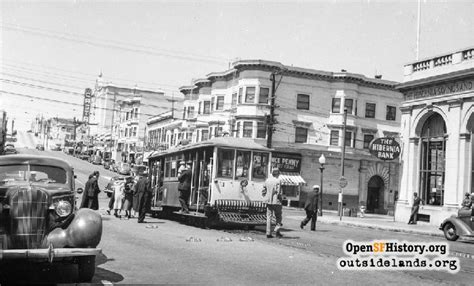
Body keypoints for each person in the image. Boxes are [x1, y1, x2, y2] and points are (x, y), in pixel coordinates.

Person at [262, 167, 283, 238]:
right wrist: (280, 199)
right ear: (277, 174)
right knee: (278, 216)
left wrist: (266, 197)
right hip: (276, 201)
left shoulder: (267, 180)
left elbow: (263, 191)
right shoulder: (278, 180)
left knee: (269, 217)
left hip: (268, 201)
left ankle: (268, 233)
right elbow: (279, 192)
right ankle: (277, 231)